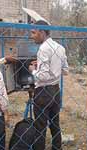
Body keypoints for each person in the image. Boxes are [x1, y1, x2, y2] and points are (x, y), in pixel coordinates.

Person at [29, 20, 68, 150]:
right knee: (54, 123)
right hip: (56, 90)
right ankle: (57, 147)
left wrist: (33, 70)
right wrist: (51, 68)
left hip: (43, 92)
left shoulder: (43, 48)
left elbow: (44, 76)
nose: (32, 36)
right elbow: (65, 70)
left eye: (34, 32)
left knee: (40, 126)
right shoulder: (60, 47)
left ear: (42, 32)